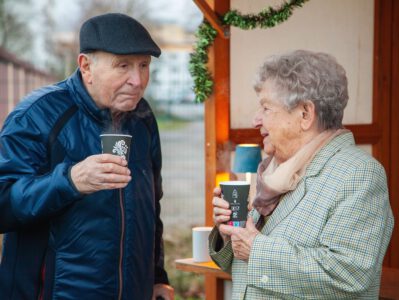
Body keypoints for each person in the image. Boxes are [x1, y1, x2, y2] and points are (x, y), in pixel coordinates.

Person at [0, 13, 174, 300]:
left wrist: (157, 278)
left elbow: (151, 208)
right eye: (123, 66)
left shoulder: (142, 118)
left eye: (144, 65)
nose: (138, 80)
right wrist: (69, 181)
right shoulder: (38, 115)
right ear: (86, 66)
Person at [210, 49, 394, 299]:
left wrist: (257, 248)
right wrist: (228, 232)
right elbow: (245, 267)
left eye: (266, 108)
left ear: (305, 114)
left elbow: (349, 275)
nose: (255, 119)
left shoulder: (358, 174)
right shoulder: (274, 172)